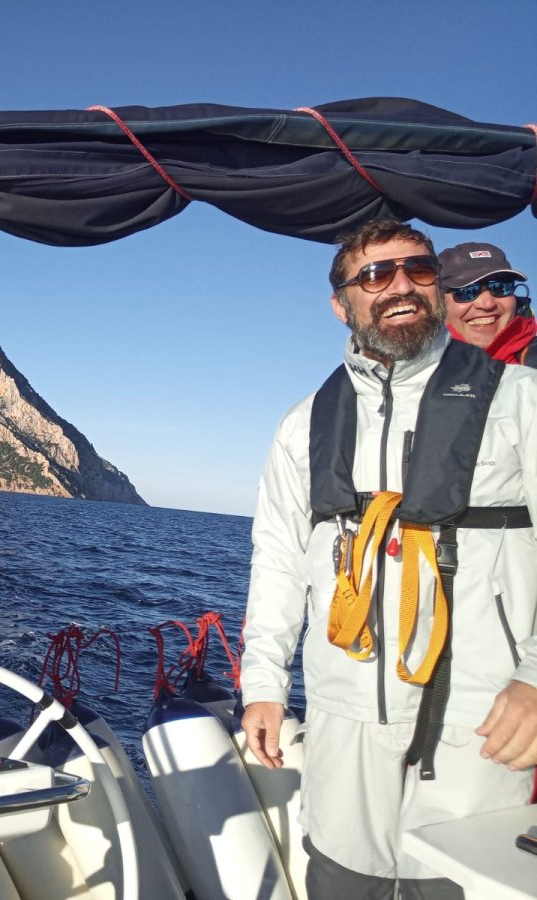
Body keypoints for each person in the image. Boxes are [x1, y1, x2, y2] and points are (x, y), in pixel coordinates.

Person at [239, 219, 537, 899]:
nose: (400, 285)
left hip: (483, 716)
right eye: (376, 274)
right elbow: (279, 560)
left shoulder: (519, 399)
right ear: (342, 303)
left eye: (419, 270)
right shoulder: (304, 422)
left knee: (454, 885)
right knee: (342, 878)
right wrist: (264, 685)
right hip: (344, 713)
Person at [437, 241, 535, 366]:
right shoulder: (417, 368)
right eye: (467, 291)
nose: (488, 304)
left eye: (500, 287)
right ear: (437, 303)